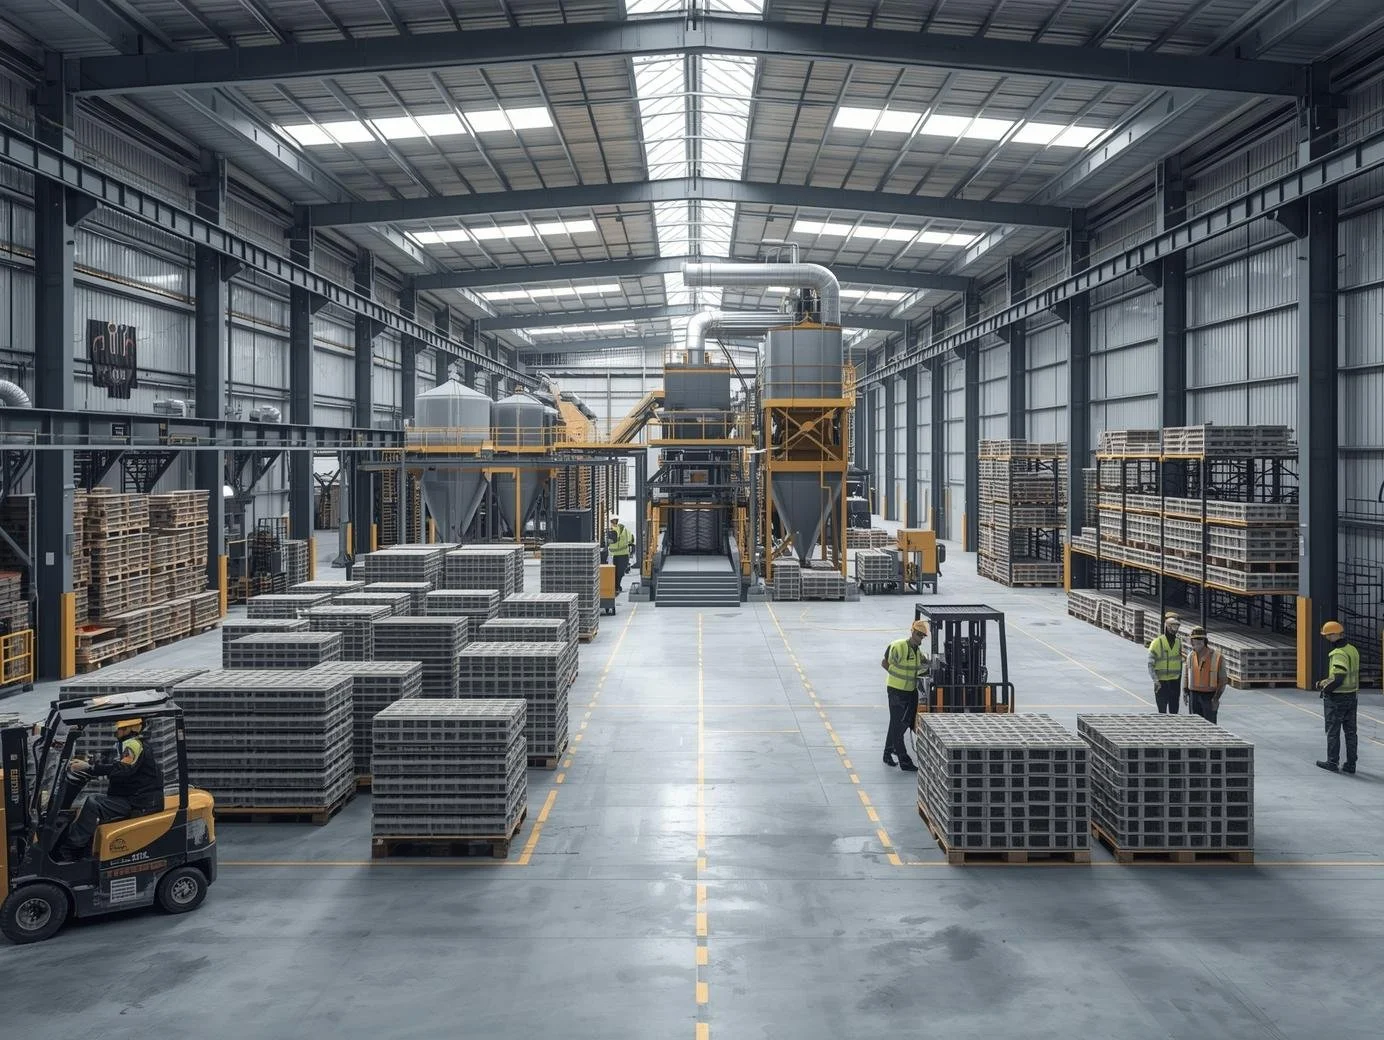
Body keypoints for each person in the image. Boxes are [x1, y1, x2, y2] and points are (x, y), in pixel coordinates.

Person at [60, 718, 165, 857]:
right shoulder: (126, 745)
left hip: (137, 801)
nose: (117, 730)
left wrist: (89, 768)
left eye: (121, 728)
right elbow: (107, 758)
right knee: (94, 802)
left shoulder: (133, 745)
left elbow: (123, 768)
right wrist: (87, 762)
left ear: (131, 729)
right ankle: (83, 845)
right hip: (135, 798)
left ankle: (72, 848)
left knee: (93, 803)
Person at [880, 619, 930, 772]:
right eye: (919, 635)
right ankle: (904, 761)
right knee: (897, 725)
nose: (921, 638)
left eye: (923, 636)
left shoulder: (917, 652)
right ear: (913, 632)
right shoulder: (898, 646)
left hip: (910, 691)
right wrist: (896, 676)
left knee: (902, 723)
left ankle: (889, 751)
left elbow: (923, 665)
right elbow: (885, 663)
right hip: (896, 690)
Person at [1315, 621, 1360, 774]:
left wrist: (1325, 688)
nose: (1327, 638)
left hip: (1338, 698)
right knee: (1351, 731)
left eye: (1328, 636)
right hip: (1352, 696)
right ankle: (1351, 764)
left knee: (1333, 731)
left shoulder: (1339, 653)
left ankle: (1332, 762)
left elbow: (1339, 677)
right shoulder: (1352, 650)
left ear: (1334, 635)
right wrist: (1324, 682)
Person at [1182, 626, 1227, 723]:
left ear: (1204, 641)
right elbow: (1186, 674)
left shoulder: (1217, 657)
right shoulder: (1190, 656)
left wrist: (1216, 698)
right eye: (1194, 640)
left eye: (1199, 640)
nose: (1196, 642)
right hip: (1193, 695)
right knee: (1195, 725)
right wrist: (1185, 691)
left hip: (1209, 697)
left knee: (1209, 725)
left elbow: (1223, 680)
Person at [1147, 612, 1184, 714]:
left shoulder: (1178, 642)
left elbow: (1180, 664)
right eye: (1173, 626)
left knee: (1174, 713)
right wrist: (1155, 680)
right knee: (1162, 712)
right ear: (1167, 627)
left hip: (1174, 683)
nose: (1175, 630)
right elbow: (1150, 664)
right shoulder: (1157, 642)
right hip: (1161, 683)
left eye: (1177, 627)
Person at [607, 518, 633, 592]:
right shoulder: (625, 531)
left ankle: (616, 587)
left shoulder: (610, 531)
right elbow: (631, 540)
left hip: (614, 555)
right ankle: (617, 586)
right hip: (620, 555)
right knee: (619, 572)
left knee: (615, 572)